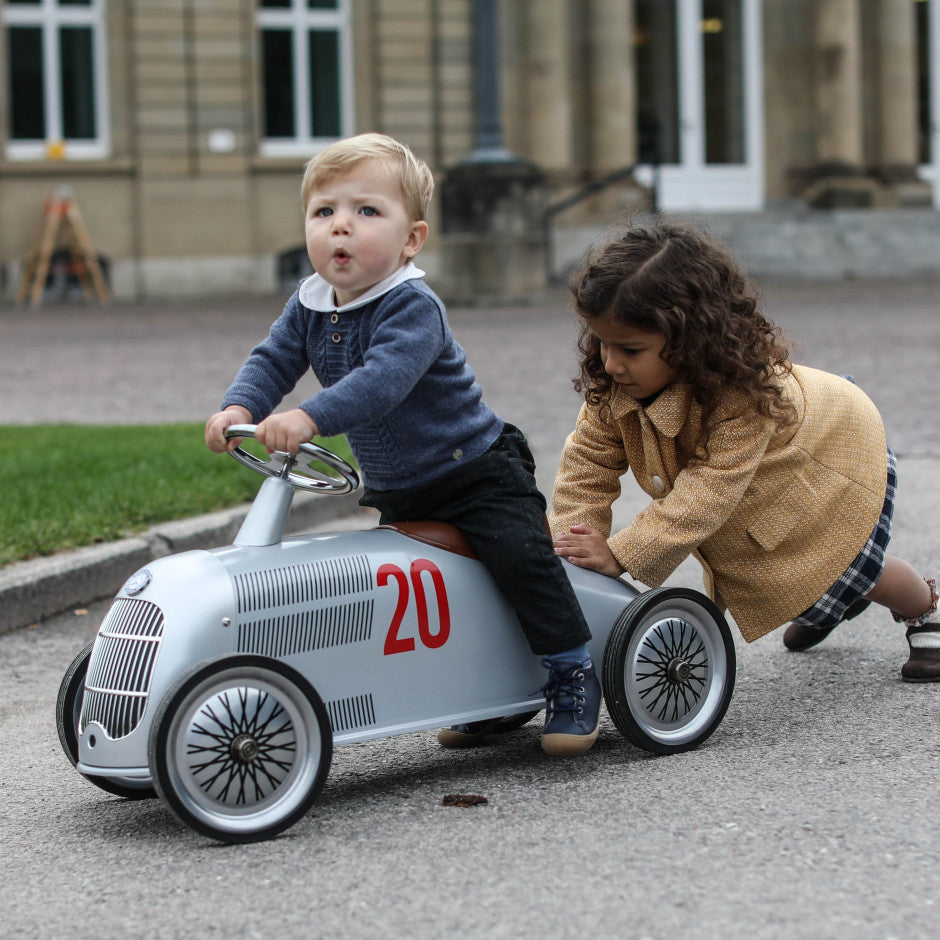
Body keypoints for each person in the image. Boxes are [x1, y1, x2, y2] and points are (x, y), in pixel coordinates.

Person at [205, 132, 601, 754]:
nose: (341, 228)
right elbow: (274, 357)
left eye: (366, 212)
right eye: (324, 212)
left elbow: (381, 383)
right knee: (428, 593)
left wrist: (308, 417)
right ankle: (487, 693)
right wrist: (240, 405)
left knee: (521, 564)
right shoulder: (310, 305)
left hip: (474, 470)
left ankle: (571, 669)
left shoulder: (412, 307)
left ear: (410, 238)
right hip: (403, 486)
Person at [550, 219, 939, 682]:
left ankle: (925, 606)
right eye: (603, 343)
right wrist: (572, 544)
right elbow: (587, 465)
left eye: (631, 349)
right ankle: (831, 603)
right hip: (763, 496)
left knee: (851, 566)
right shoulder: (613, 387)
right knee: (804, 587)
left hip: (829, 456)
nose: (611, 364)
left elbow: (708, 490)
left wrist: (623, 554)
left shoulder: (745, 395)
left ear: (689, 340)